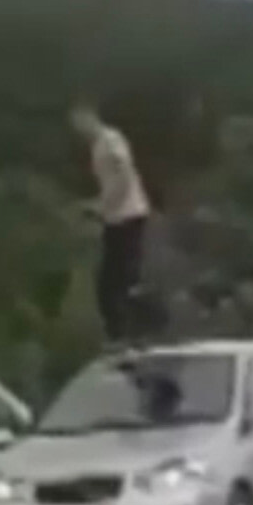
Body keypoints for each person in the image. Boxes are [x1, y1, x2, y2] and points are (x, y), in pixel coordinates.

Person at [70, 101, 152, 343]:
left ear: (87, 116)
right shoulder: (98, 146)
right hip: (115, 218)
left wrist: (105, 204)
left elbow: (123, 174)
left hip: (128, 215)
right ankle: (121, 334)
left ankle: (132, 332)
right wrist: (96, 206)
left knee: (118, 282)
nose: (77, 128)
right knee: (110, 283)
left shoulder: (110, 140)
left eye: (77, 121)